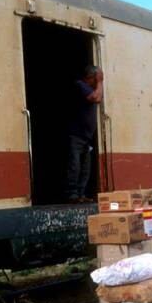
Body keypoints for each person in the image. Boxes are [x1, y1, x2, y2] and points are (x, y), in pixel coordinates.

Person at [66, 66, 103, 203]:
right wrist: (100, 82)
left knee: (85, 168)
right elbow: (96, 98)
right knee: (74, 166)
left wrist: (98, 82)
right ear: (91, 78)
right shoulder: (80, 85)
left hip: (86, 137)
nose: (98, 81)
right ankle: (72, 194)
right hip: (76, 135)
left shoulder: (90, 88)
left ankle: (80, 194)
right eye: (97, 78)